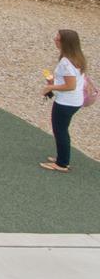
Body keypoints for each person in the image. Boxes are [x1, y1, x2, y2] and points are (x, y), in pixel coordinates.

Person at [40, 29, 88, 173]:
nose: (55, 39)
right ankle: (62, 157)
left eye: (58, 38)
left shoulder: (66, 62)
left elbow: (70, 85)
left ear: (65, 42)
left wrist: (50, 87)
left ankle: (62, 163)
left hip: (66, 102)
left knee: (60, 131)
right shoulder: (77, 58)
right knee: (62, 130)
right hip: (75, 101)